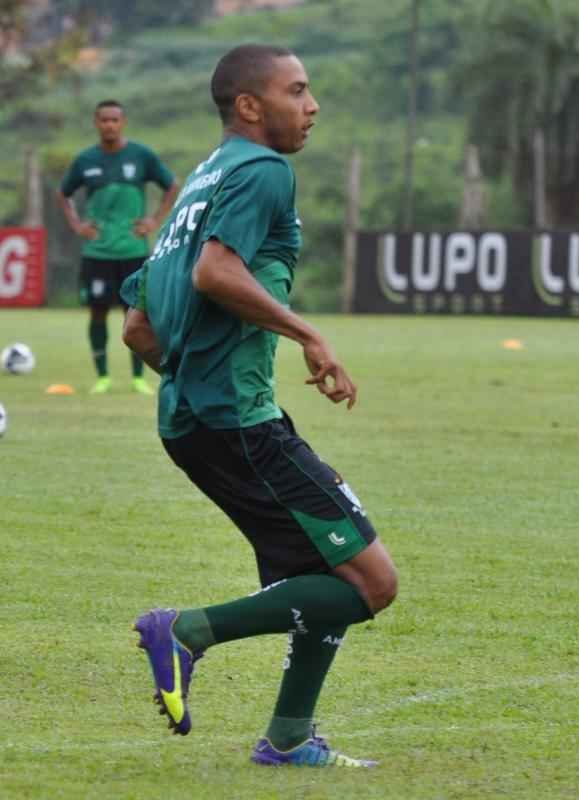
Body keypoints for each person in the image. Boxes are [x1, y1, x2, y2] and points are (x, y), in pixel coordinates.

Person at [121, 44, 398, 768]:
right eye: (297, 90)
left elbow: (137, 325)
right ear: (249, 105)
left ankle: (287, 738)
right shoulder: (263, 170)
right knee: (371, 582)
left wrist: (193, 383)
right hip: (237, 424)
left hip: (194, 420)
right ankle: (184, 632)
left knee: (322, 578)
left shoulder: (198, 183)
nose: (311, 106)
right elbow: (216, 273)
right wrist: (307, 333)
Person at [58, 100, 179, 395]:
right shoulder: (86, 160)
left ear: (123, 122)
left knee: (137, 315)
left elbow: (172, 185)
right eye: (104, 120)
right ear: (96, 123)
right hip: (97, 252)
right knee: (97, 313)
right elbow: (63, 193)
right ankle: (103, 376)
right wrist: (77, 225)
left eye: (114, 119)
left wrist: (154, 220)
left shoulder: (141, 156)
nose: (109, 125)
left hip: (134, 251)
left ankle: (139, 377)